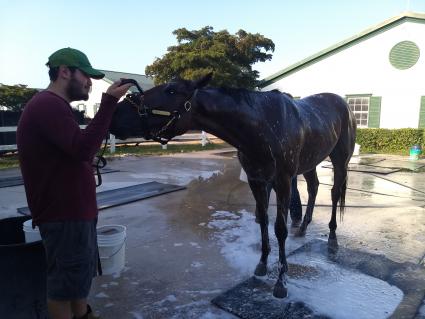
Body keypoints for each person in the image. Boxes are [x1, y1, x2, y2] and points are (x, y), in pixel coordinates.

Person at [16, 47, 132, 319]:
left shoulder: (55, 107)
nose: (90, 82)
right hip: (64, 215)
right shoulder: (47, 104)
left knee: (77, 280)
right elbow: (82, 149)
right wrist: (109, 103)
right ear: (65, 72)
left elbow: (71, 152)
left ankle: (84, 315)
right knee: (62, 288)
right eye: (86, 75)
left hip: (73, 214)